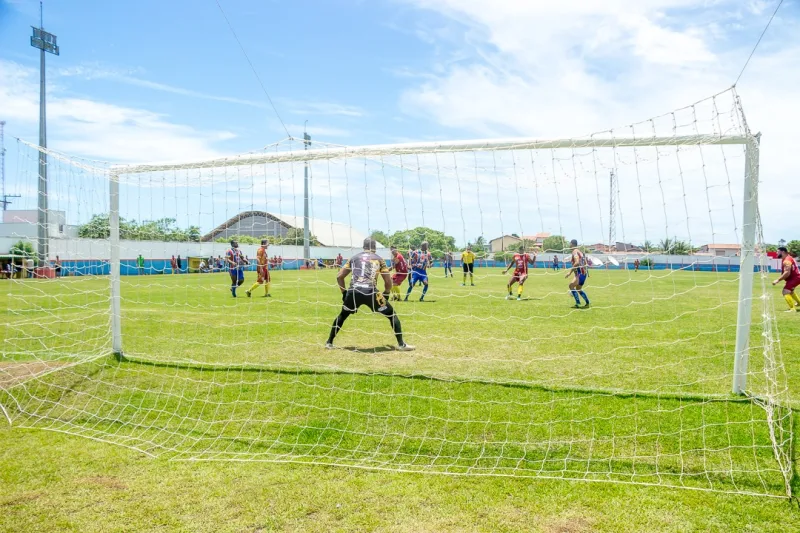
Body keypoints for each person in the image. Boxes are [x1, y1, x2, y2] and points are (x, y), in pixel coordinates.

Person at [326, 238, 414, 351]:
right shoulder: (379, 259)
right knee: (392, 315)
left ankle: (329, 342)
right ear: (375, 247)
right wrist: (386, 294)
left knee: (343, 315)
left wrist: (344, 293)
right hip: (370, 291)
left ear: (363, 247)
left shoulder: (354, 258)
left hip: (354, 291)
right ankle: (401, 344)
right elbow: (388, 282)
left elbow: (339, 276)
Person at [772, 246, 800, 312]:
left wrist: (778, 280)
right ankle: (799, 303)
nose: (776, 253)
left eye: (777, 252)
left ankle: (792, 309)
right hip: (795, 278)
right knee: (791, 291)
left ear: (783, 252)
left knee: (785, 291)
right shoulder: (788, 258)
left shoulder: (787, 260)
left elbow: (787, 272)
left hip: (795, 278)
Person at [565, 239, 590, 308]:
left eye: (570, 244)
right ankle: (587, 303)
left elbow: (577, 262)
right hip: (583, 273)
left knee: (571, 286)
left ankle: (578, 303)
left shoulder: (574, 252)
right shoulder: (580, 252)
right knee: (578, 289)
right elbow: (585, 262)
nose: (569, 245)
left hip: (580, 273)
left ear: (572, 244)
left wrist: (569, 272)